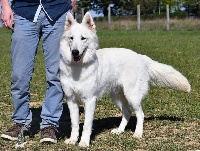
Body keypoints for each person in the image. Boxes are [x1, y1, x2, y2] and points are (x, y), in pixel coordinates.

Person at [0, 0, 76, 143]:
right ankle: (21, 122)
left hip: (58, 11)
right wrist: (5, 5)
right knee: (19, 75)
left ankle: (50, 124)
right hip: (24, 12)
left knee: (56, 74)